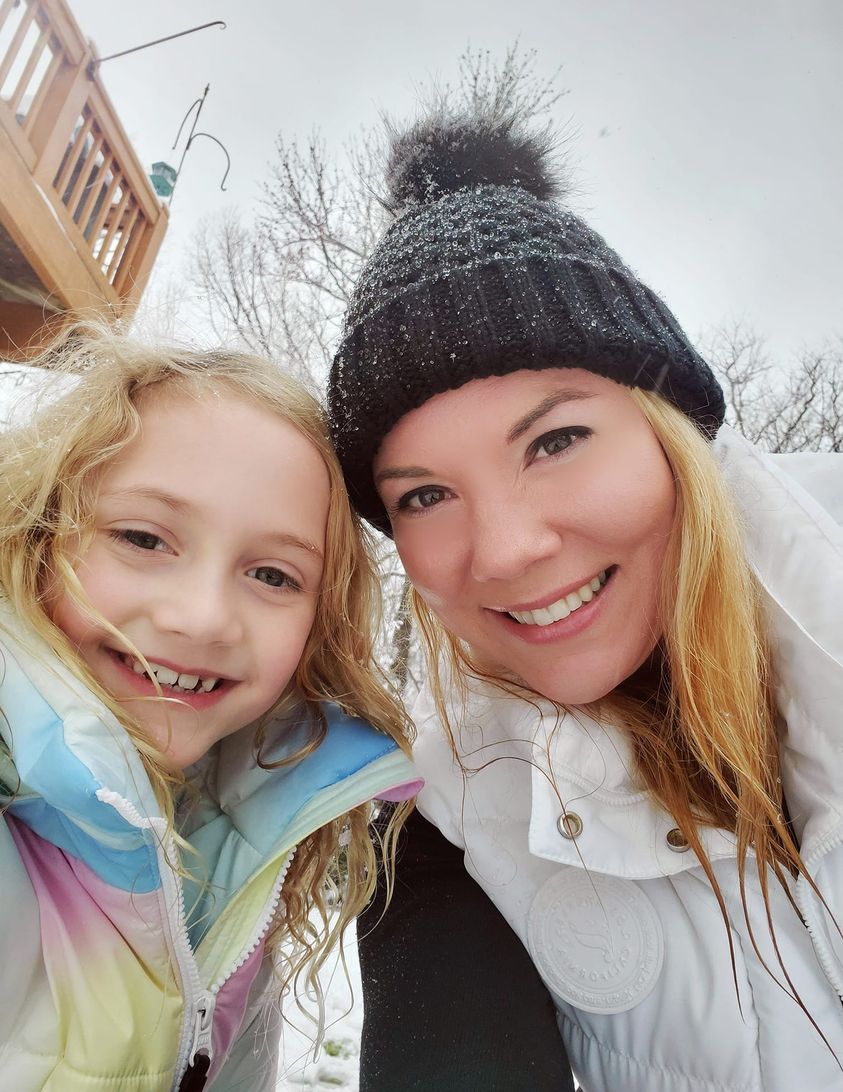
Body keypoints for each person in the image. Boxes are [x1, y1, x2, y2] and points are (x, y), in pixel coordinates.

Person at [329, 110, 843, 1092]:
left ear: (666, 428)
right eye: (425, 495)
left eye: (555, 440)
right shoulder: (442, 813)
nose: (505, 550)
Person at [0, 328, 420, 1091]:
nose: (202, 618)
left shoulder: (235, 842)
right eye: (143, 538)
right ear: (38, 536)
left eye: (272, 574)